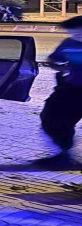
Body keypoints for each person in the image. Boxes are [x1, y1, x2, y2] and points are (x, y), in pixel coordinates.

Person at [37, 16, 82, 165]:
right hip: (72, 88)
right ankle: (64, 154)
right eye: (73, 32)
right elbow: (53, 59)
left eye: (80, 31)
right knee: (52, 118)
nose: (77, 35)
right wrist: (59, 67)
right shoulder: (69, 43)